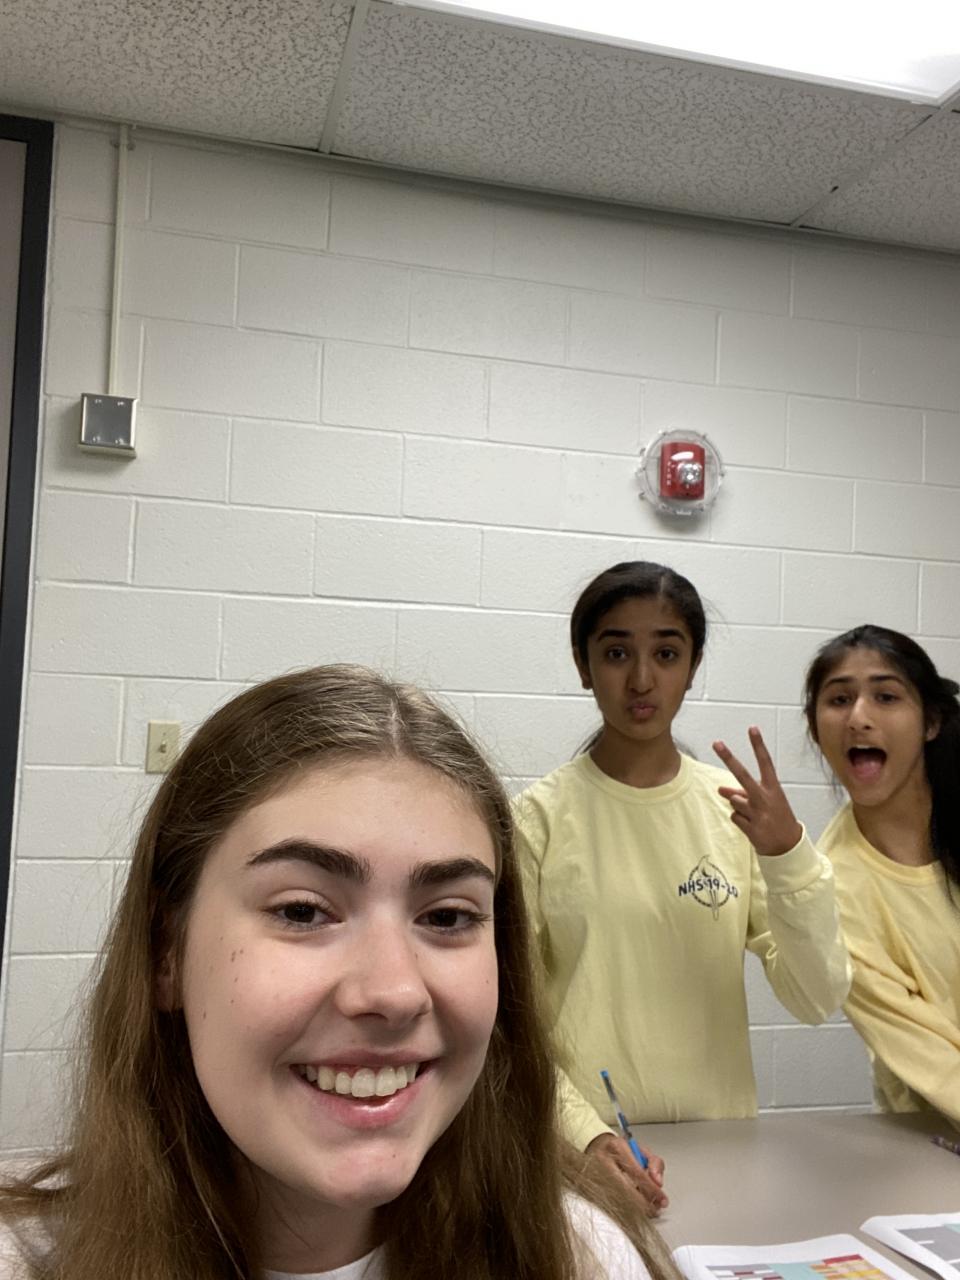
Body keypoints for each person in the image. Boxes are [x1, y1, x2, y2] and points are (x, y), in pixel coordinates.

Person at [0, 665, 679, 1280]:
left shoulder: (581, 1255)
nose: (395, 992)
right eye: (302, 911)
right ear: (165, 953)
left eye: (447, 916)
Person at [514, 562, 851, 1214]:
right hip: (585, 1157)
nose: (642, 679)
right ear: (584, 666)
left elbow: (817, 996)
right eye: (617, 653)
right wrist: (584, 1137)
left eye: (666, 654)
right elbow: (510, 1022)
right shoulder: (537, 820)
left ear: (692, 667)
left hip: (724, 1151)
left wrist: (788, 854)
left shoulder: (734, 813)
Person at [804, 625, 960, 1128]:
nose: (859, 718)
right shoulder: (831, 888)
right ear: (816, 729)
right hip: (933, 1140)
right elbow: (933, 1061)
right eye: (839, 699)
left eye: (886, 696)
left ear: (931, 721)